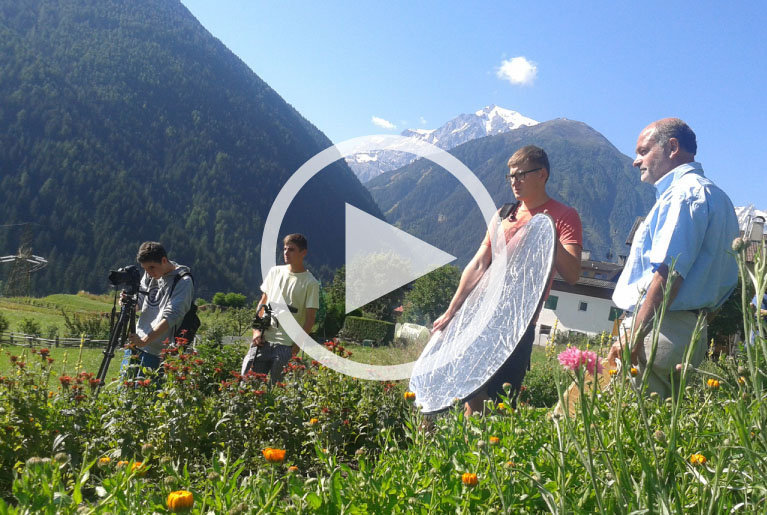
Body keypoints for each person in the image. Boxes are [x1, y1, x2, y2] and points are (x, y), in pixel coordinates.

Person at [432, 145, 583, 415]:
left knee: (502, 403)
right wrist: (451, 311)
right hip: (482, 316)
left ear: (542, 174)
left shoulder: (564, 216)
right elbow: (478, 264)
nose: (514, 181)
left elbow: (572, 274)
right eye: (511, 176)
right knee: (471, 394)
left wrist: (546, 232)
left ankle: (495, 453)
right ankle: (467, 448)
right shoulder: (504, 214)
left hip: (519, 324)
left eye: (521, 175)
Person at [608, 118, 739, 398]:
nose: (636, 161)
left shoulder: (682, 195)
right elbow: (727, 281)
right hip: (690, 329)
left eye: (643, 151)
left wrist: (636, 333)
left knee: (629, 421)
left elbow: (668, 273)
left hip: (658, 328)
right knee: (661, 423)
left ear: (672, 147)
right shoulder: (721, 199)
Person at [241, 234, 319, 383]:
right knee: (246, 384)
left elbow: (310, 320)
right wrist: (256, 331)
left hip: (286, 346)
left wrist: (295, 348)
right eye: (284, 249)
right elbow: (262, 303)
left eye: (291, 249)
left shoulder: (311, 283)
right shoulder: (275, 272)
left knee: (277, 391)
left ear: (303, 253)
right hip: (262, 339)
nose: (286, 253)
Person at [122, 241, 194, 376]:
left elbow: (172, 316)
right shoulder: (150, 273)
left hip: (158, 352)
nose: (148, 272)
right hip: (136, 343)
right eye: (145, 269)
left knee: (147, 394)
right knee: (124, 389)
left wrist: (145, 340)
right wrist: (130, 302)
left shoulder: (183, 281)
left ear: (164, 260)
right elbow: (141, 301)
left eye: (151, 267)